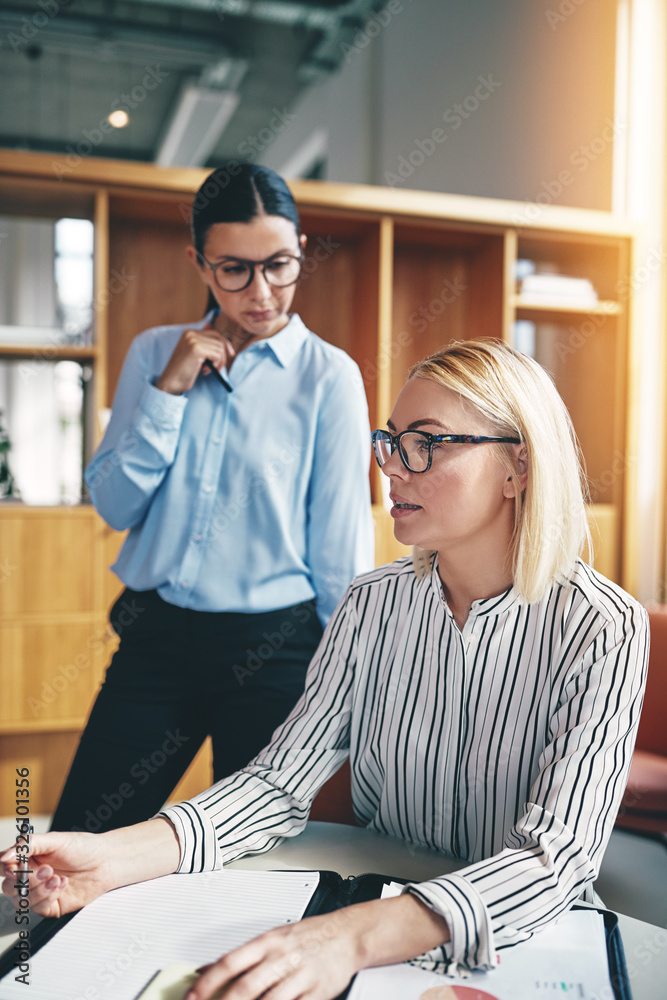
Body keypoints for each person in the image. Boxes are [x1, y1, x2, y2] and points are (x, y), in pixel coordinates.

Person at [2, 340, 648, 1000]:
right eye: (390, 442)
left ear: (518, 466)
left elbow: (555, 858)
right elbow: (277, 784)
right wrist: (116, 855)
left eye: (425, 443)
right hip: (376, 895)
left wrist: (348, 937)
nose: (392, 468)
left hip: (522, 936)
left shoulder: (603, 626)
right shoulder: (370, 602)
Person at [48, 163, 374, 834]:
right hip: (155, 640)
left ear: (300, 253)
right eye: (234, 270)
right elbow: (114, 507)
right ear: (200, 262)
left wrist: (344, 680)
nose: (260, 291)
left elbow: (339, 547)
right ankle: (42, 943)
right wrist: (168, 392)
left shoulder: (328, 377)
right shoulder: (152, 354)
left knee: (246, 863)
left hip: (275, 652)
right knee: (85, 838)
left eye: (278, 265)